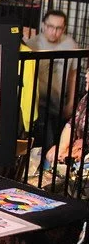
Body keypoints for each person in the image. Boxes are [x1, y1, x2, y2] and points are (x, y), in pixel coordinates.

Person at [26, 9, 79, 151]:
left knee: (57, 142)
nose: (53, 31)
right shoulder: (32, 45)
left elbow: (73, 75)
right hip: (38, 103)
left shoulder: (71, 45)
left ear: (64, 29)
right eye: (50, 26)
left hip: (59, 102)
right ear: (43, 25)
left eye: (58, 28)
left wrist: (71, 102)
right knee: (46, 142)